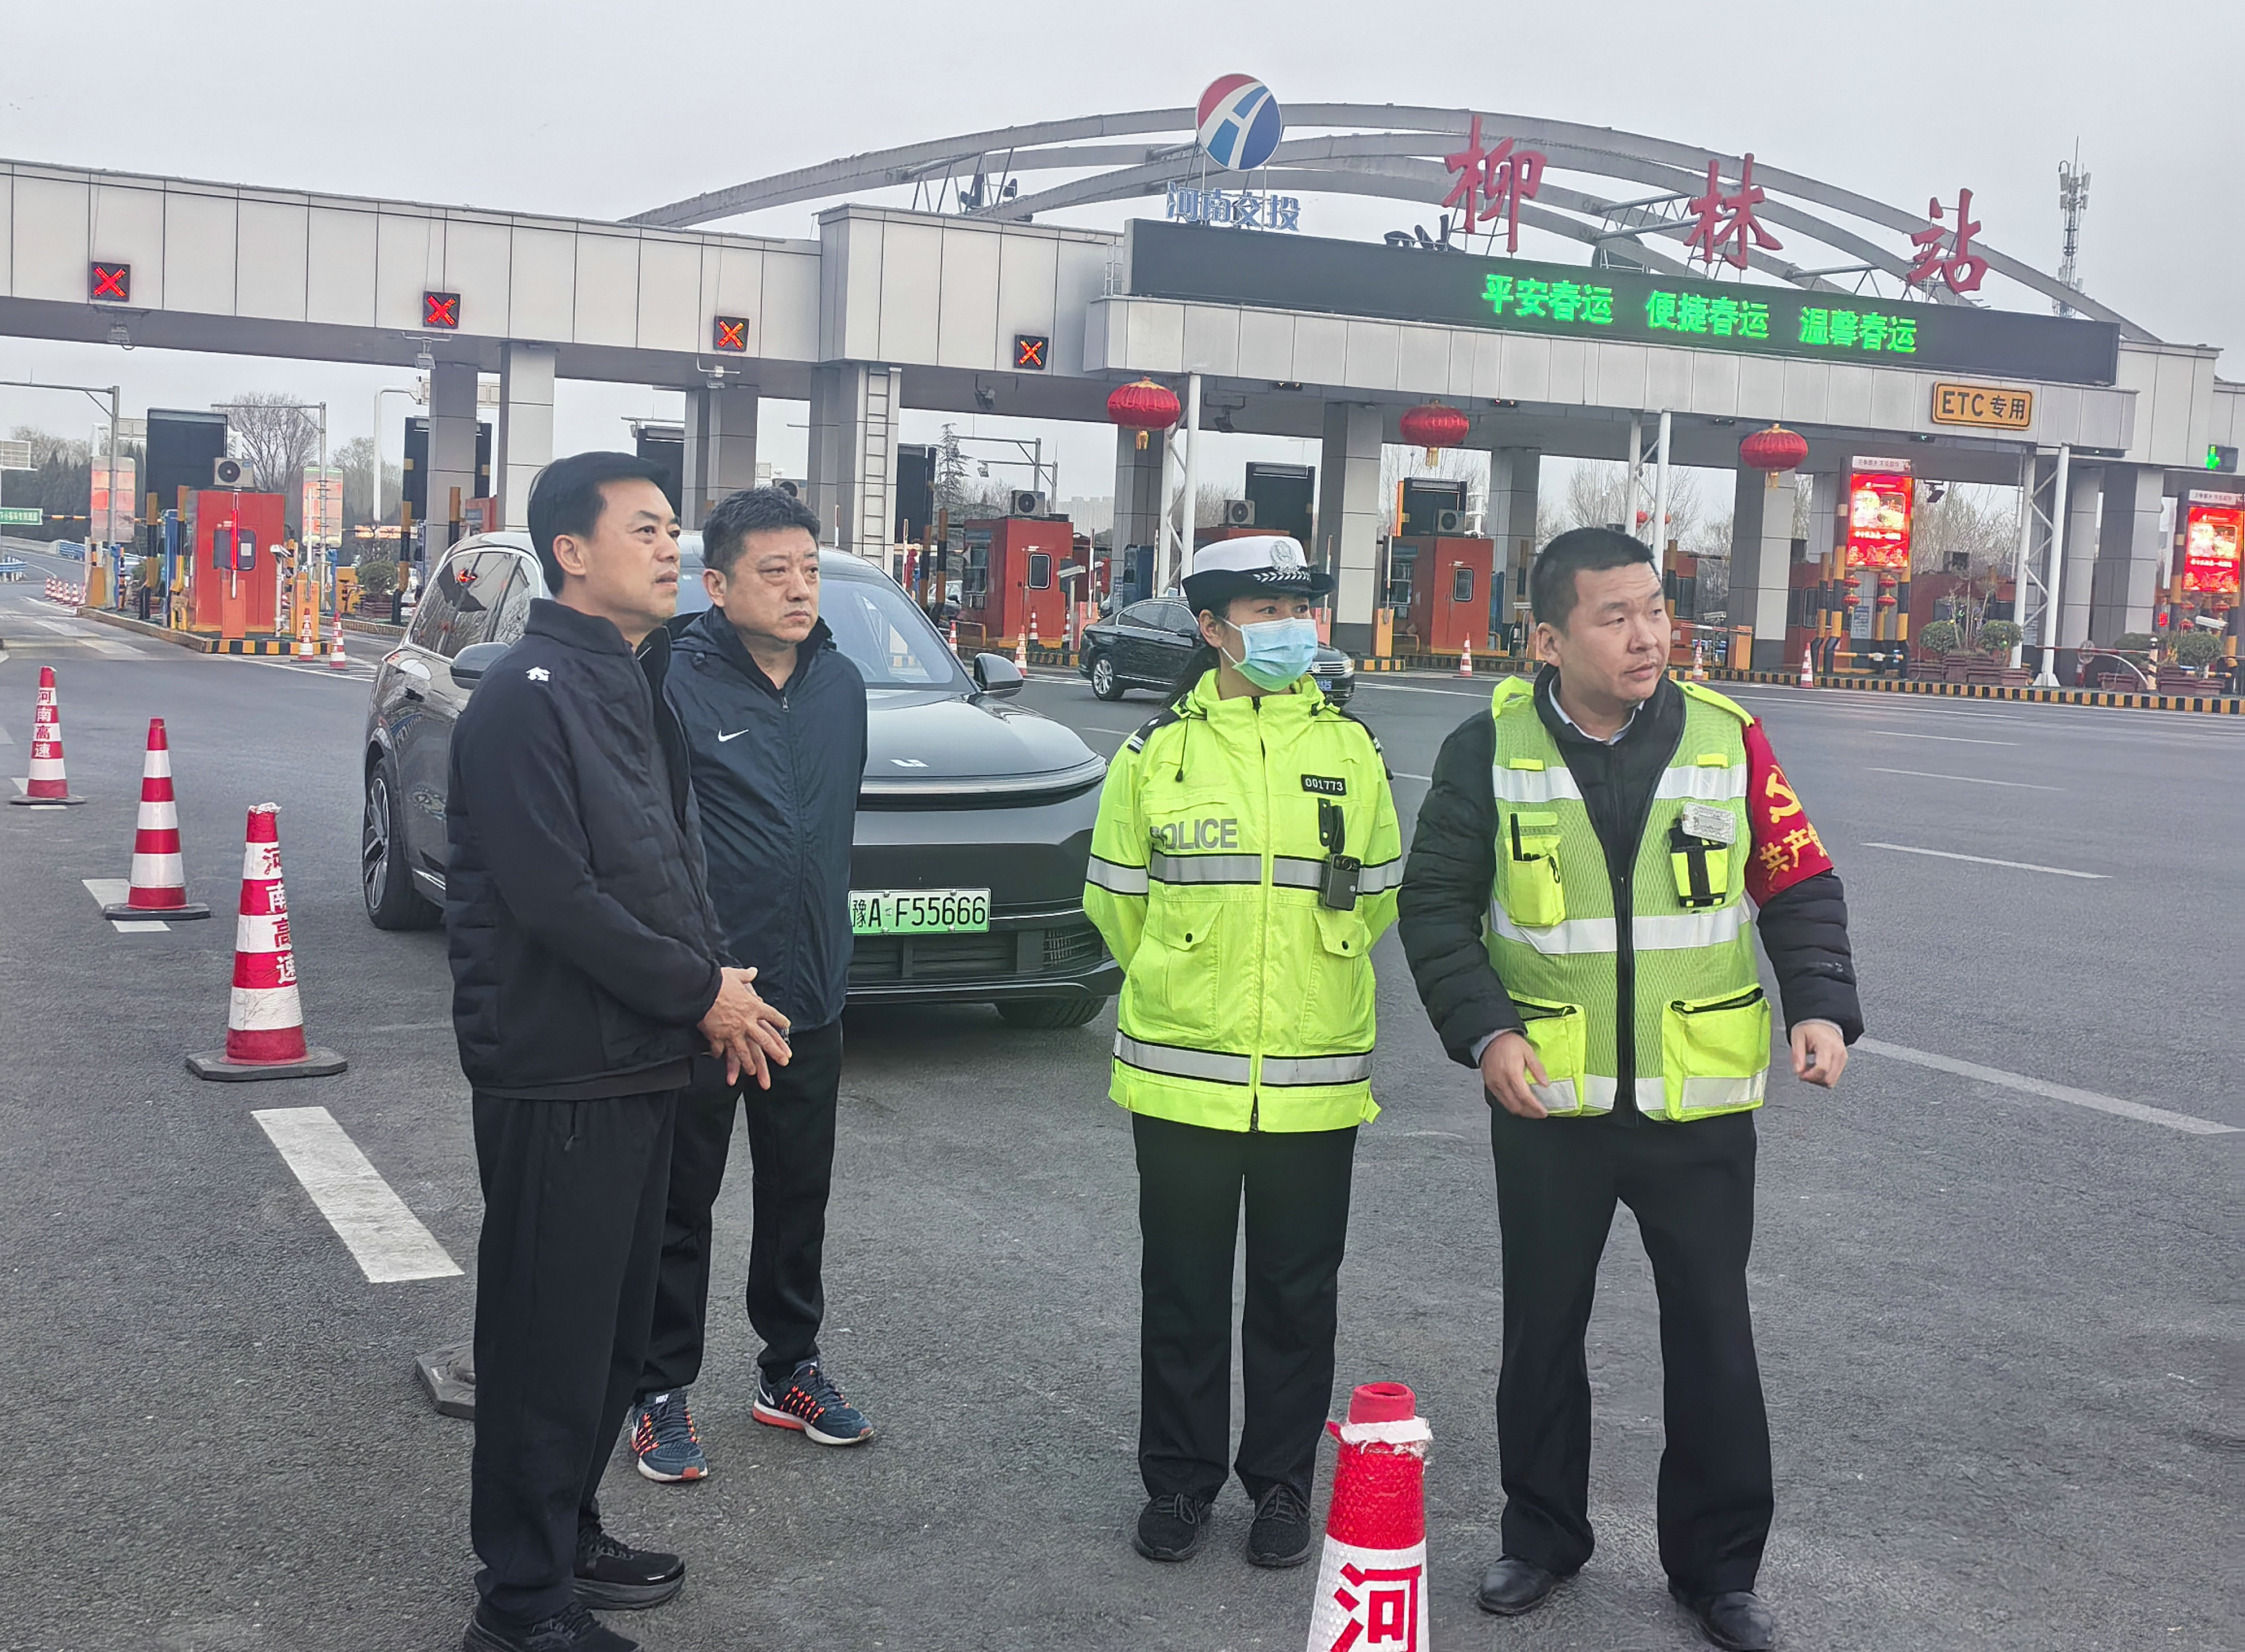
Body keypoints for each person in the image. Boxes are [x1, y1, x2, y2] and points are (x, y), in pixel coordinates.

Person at [1396, 528, 1862, 1652]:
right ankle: (1540, 1534)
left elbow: (1796, 879)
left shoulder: (1727, 737)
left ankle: (1718, 1570)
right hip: (1549, 1098)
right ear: (1549, 640)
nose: (1648, 634)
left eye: (1654, 608)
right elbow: (1434, 905)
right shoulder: (1487, 748)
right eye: (1615, 617)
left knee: (1713, 1336)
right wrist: (1485, 1031)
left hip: (1696, 1102)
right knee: (1540, 1330)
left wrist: (1817, 1004)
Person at [444, 451, 792, 1652]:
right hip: (561, 1068)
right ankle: (520, 1601)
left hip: (642, 1057)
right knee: (547, 1341)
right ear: (571, 551)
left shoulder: (631, 685)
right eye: (643, 528)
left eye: (670, 527)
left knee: (607, 1336)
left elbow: (668, 863)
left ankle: (568, 1530)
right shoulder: (523, 695)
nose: (668, 547)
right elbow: (557, 897)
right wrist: (702, 993)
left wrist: (720, 983)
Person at [1082, 536, 1403, 1571]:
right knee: (1181, 1290)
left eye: (1299, 610)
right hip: (1184, 1074)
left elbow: (1378, 894)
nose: (1291, 630)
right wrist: (1195, 986)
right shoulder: (1155, 755)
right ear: (1213, 628)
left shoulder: (1351, 750)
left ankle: (1280, 1483)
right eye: (1266, 613)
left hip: (1314, 1072)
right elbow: (1116, 902)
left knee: (1296, 1294)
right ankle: (1179, 1482)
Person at [626, 487, 874, 1481]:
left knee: (798, 1194)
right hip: (707, 998)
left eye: (809, 569)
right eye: (775, 572)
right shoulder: (671, 683)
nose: (799, 588)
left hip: (811, 990)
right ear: (718, 585)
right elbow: (648, 844)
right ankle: (657, 1385)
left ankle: (790, 1367)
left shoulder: (841, 683)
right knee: (679, 1201)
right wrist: (697, 980)